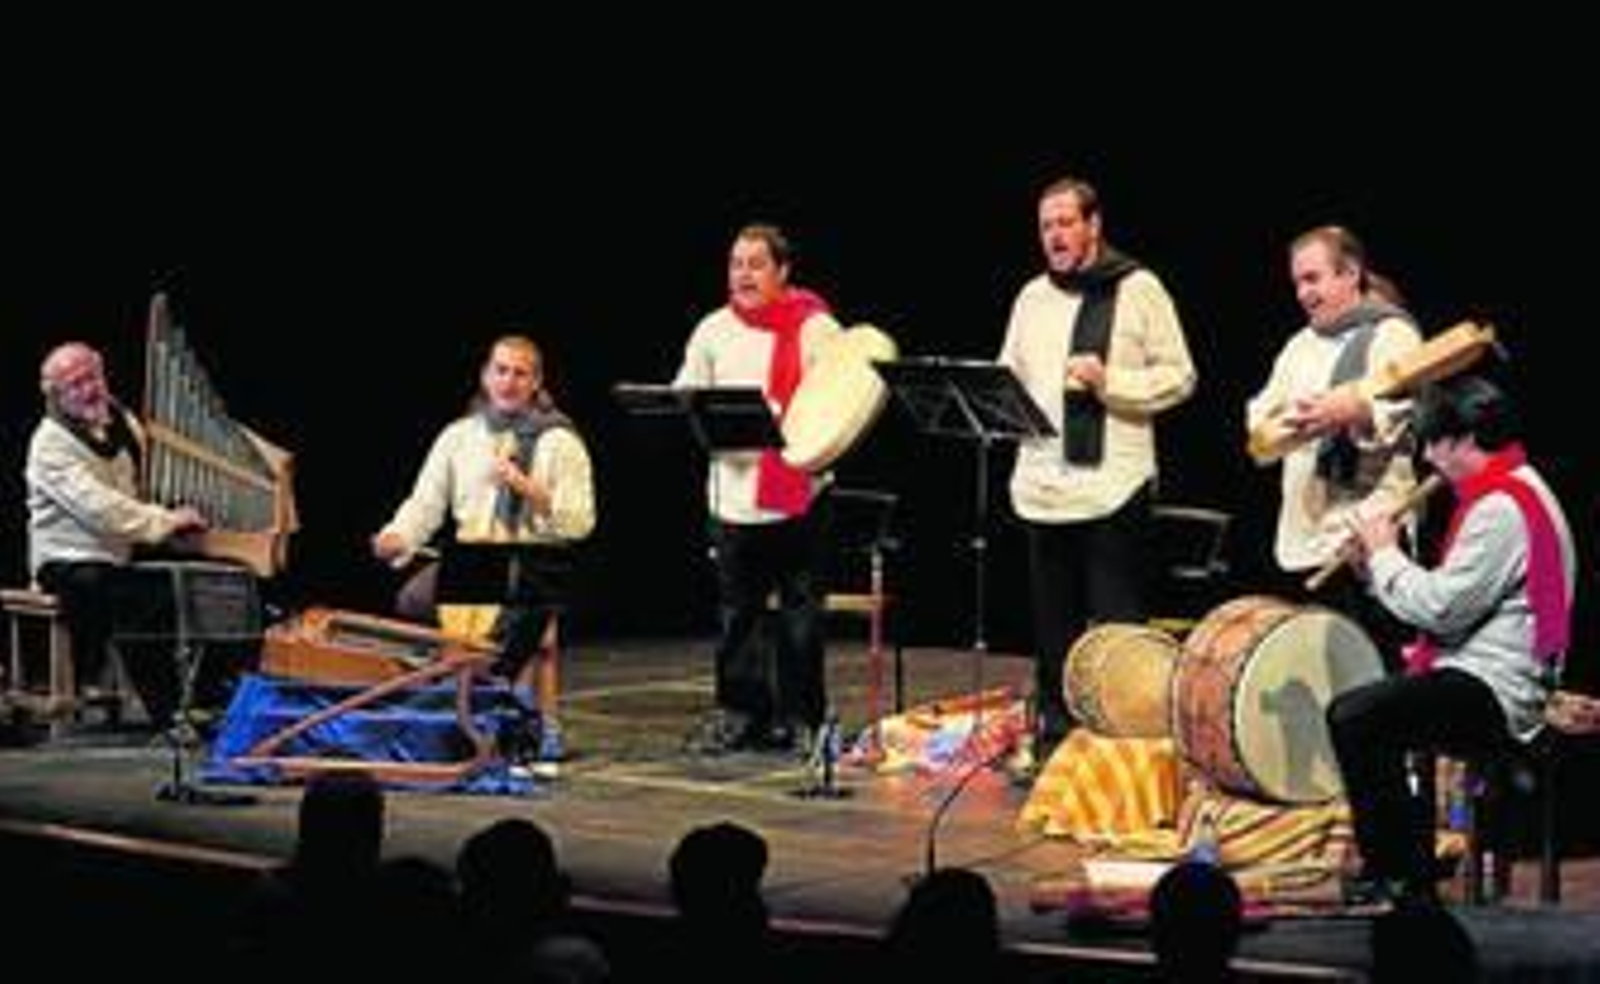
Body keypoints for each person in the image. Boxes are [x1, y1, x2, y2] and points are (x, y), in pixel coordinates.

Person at [1327, 373, 1575, 904]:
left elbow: (1440, 610)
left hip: (1500, 691)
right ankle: (1406, 869)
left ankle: (1400, 876)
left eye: (1434, 443)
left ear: (1463, 440)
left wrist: (1383, 553)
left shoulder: (1503, 507)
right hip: (1485, 671)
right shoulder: (1515, 490)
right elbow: (1450, 608)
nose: (1430, 459)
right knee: (1373, 710)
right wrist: (1374, 570)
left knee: (1357, 717)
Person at [997, 175, 1197, 758]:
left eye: (1065, 222)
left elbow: (1180, 375)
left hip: (1112, 485)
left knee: (1115, 633)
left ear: (1093, 225)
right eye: (1046, 226)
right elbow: (1009, 372)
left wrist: (1112, 384)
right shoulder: (1031, 296)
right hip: (1042, 485)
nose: (1055, 235)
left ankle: (1121, 750)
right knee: (1053, 633)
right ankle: (1058, 743)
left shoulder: (1138, 288)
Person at [371, 334, 595, 763]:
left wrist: (527, 488)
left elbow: (580, 520)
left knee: (521, 613)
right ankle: (464, 707)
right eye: (501, 370)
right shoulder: (459, 436)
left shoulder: (559, 440)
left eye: (520, 373)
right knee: (414, 598)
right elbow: (426, 501)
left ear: (536, 382)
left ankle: (531, 721)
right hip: (475, 555)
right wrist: (398, 536)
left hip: (536, 555)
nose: (509, 381)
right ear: (485, 376)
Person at [674, 222, 842, 755]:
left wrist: (791, 422)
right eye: (735, 263)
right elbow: (685, 392)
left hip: (802, 495)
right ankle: (741, 712)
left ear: (782, 271)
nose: (742, 274)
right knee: (737, 615)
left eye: (755, 264)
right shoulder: (712, 329)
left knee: (800, 614)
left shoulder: (816, 328)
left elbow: (843, 400)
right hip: (732, 496)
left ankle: (802, 717)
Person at [1245, 225, 1423, 655]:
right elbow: (1259, 418)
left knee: (1373, 662)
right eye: (1297, 283)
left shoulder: (1393, 335)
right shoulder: (1299, 346)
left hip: (1367, 530)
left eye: (1313, 278)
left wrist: (1354, 409)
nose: (1303, 293)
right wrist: (1297, 420)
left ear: (1350, 274)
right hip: (1307, 530)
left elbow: (1404, 413)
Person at [24, 340, 208, 730]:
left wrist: (179, 525)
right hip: (67, 560)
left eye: (93, 376)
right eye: (75, 384)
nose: (89, 388)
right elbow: (102, 508)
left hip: (119, 554)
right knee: (134, 597)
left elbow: (140, 488)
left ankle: (210, 693)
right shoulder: (48, 445)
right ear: (56, 396)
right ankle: (170, 711)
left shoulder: (121, 422)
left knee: (204, 579)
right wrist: (166, 522)